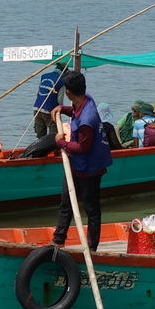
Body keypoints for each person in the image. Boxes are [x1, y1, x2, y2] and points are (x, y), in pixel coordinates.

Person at [52, 71, 111, 250]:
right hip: (75, 164)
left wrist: (61, 143)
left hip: (90, 168)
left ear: (68, 92)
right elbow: (74, 110)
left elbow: (83, 147)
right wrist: (63, 109)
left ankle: (92, 248)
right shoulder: (86, 99)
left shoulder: (87, 120)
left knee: (91, 209)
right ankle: (58, 239)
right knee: (66, 202)